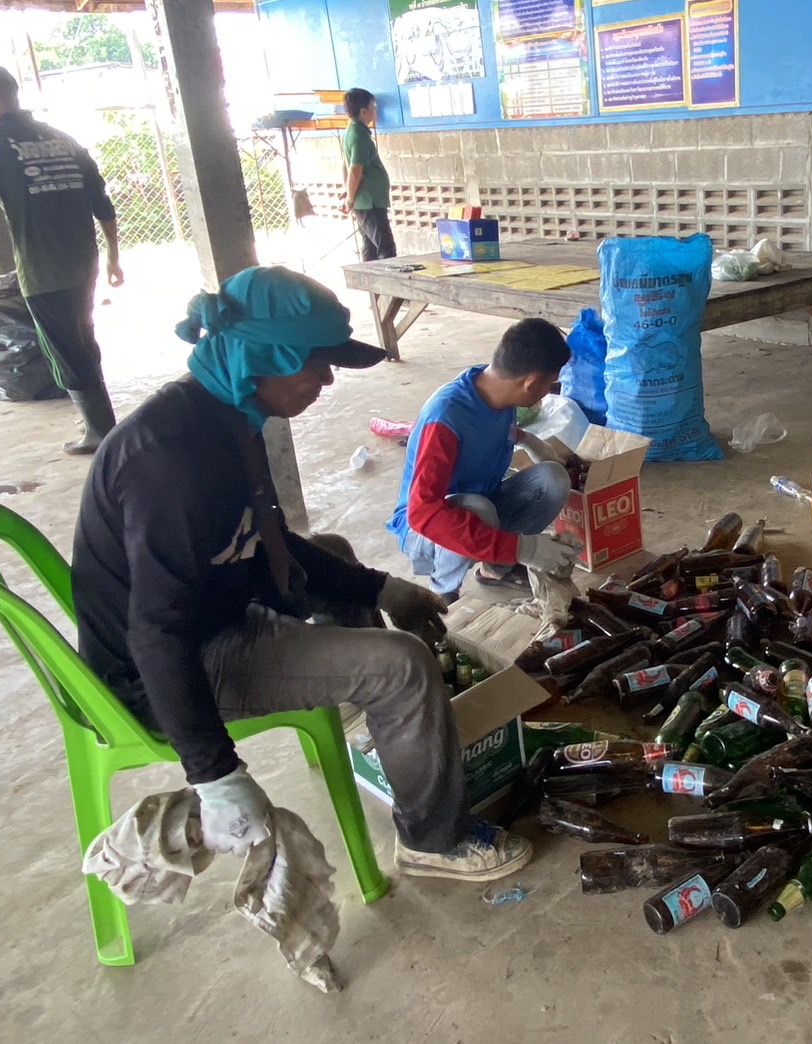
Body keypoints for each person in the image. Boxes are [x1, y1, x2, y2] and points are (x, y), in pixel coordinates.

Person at [72, 265, 532, 880]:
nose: (327, 378)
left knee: (332, 550)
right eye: (317, 364)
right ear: (267, 358)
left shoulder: (223, 414)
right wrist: (215, 774)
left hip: (209, 610)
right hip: (170, 667)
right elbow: (156, 633)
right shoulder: (172, 463)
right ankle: (434, 840)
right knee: (404, 665)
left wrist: (378, 586)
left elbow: (262, 539)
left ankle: (379, 716)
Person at [0, 63, 124, 455]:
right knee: (81, 338)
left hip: (43, 271)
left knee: (64, 348)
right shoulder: (63, 139)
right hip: (83, 263)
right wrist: (113, 258)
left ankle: (100, 430)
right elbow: (102, 203)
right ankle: (99, 421)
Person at [390, 318, 579, 600]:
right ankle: (443, 591)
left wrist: (529, 441)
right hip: (424, 531)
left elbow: (492, 429)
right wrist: (527, 549)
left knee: (552, 479)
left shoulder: (495, 387)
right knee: (478, 509)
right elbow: (423, 513)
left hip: (483, 504)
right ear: (530, 383)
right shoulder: (445, 418)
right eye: (550, 383)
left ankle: (496, 569)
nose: (547, 392)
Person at [341, 88, 396, 263]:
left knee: (370, 247)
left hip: (368, 201)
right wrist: (349, 199)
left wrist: (349, 192)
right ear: (363, 111)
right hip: (368, 202)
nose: (375, 110)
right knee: (385, 248)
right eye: (373, 106)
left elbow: (346, 167)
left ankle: (371, 282)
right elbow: (354, 170)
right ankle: (386, 281)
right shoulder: (359, 136)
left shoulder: (354, 132)